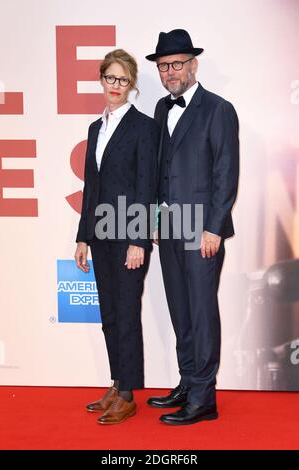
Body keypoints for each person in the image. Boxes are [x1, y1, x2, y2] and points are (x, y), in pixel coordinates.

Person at [145, 29, 239, 425]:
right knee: (181, 311)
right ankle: (188, 382)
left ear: (193, 65)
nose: (170, 72)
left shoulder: (218, 109)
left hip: (202, 231)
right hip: (169, 228)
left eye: (177, 64)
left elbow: (225, 172)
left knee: (201, 314)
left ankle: (205, 398)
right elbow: (159, 171)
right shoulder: (161, 109)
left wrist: (214, 228)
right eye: (164, 66)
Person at [74, 49, 158, 425]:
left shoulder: (143, 128)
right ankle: (117, 380)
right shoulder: (96, 128)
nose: (116, 86)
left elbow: (146, 186)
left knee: (126, 313)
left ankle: (127, 394)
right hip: (100, 235)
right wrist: (82, 237)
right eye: (110, 77)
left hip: (128, 238)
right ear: (101, 79)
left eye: (123, 80)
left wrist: (138, 240)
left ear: (132, 84)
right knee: (109, 314)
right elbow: (91, 186)